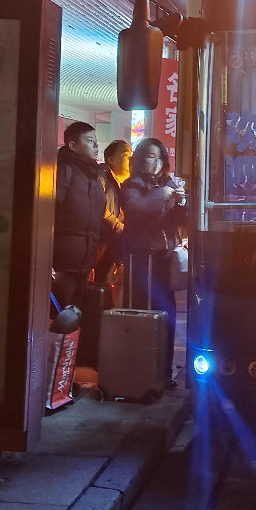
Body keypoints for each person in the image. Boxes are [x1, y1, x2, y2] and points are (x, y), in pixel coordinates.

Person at [120, 138, 187, 390]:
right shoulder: (131, 185)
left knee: (166, 314)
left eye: (160, 157)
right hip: (141, 258)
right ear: (139, 159)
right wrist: (161, 196)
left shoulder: (168, 184)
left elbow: (180, 220)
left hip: (163, 258)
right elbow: (136, 210)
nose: (156, 162)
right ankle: (140, 376)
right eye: (150, 156)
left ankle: (163, 373)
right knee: (144, 315)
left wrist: (181, 202)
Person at [52, 121, 108, 310]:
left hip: (86, 255)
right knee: (63, 308)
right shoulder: (64, 170)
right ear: (73, 145)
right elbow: (52, 207)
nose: (96, 145)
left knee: (77, 309)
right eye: (90, 140)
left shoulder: (93, 174)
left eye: (96, 140)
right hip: (65, 256)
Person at [95, 139, 132, 292]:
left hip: (113, 243)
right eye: (125, 155)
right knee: (98, 283)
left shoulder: (125, 183)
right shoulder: (101, 176)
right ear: (111, 159)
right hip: (101, 242)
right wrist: (119, 227)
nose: (130, 159)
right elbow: (99, 207)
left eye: (131, 155)